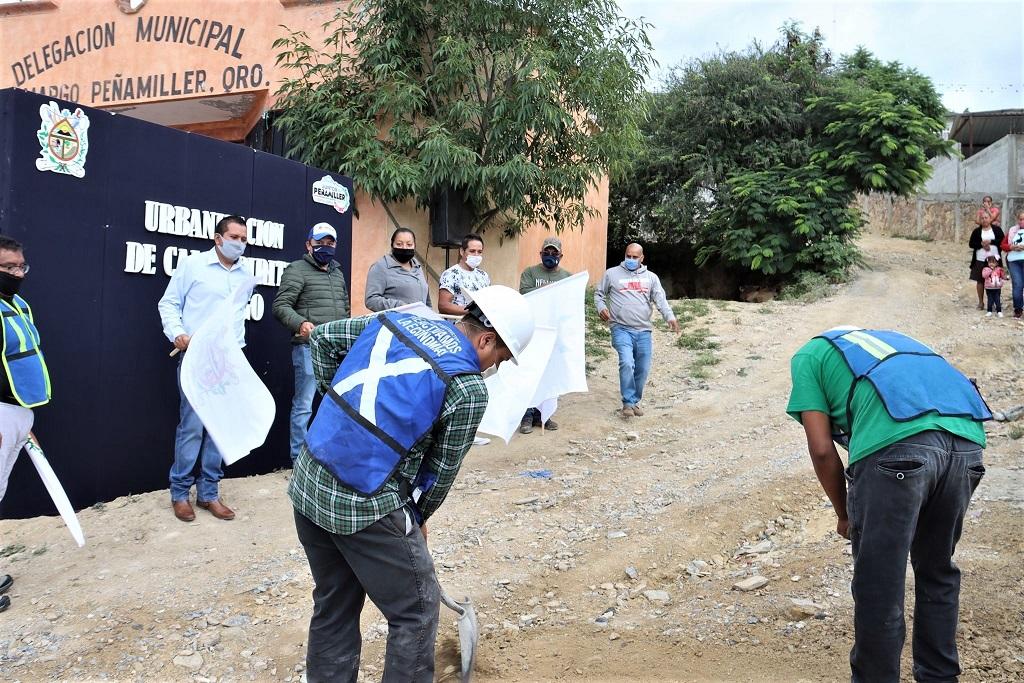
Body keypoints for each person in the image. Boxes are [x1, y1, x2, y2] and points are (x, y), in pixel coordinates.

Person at [288, 285, 535, 682]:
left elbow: (322, 339)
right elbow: (440, 471)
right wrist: (417, 516)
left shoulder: (398, 321)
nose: (495, 367)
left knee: (335, 602)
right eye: (500, 358)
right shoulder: (468, 387)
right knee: (416, 611)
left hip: (309, 481)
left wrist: (343, 410)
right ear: (487, 339)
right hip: (365, 502)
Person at [787, 326, 989, 683]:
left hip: (896, 448)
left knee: (880, 580)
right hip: (968, 444)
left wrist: (844, 512)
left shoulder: (809, 355)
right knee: (937, 570)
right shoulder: (893, 345)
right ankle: (940, 677)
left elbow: (821, 449)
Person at [157, 215, 252, 522]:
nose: (239, 243)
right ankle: (180, 493)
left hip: (228, 359)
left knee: (219, 426)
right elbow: (168, 304)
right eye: (234, 237)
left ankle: (209, 493)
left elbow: (237, 317)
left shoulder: (245, 275)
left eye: (243, 239)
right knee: (192, 426)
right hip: (196, 357)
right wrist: (177, 334)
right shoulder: (193, 266)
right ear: (218, 238)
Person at [0, 236, 50, 613]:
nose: (18, 274)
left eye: (21, 267)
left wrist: (23, 420)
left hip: (17, 414)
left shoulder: (19, 305)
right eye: (9, 268)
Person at [272, 222, 350, 462]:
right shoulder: (296, 269)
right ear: (309, 244)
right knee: (304, 405)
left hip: (336, 351)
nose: (325, 247)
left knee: (334, 406)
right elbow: (280, 305)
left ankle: (328, 458)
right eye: (320, 243)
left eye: (330, 243)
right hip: (308, 348)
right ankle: (299, 459)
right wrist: (300, 324)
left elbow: (345, 309)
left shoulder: (337, 273)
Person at [594, 243, 679, 418]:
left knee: (642, 368)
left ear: (642, 258)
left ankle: (634, 401)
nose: (630, 260)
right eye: (628, 256)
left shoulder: (651, 278)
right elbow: (599, 294)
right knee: (626, 362)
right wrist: (601, 307)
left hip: (643, 331)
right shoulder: (611, 274)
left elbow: (660, 299)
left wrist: (670, 317)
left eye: (635, 257)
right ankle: (627, 403)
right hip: (620, 328)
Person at [518, 235, 572, 434]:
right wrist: (550, 289)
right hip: (533, 331)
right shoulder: (530, 272)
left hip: (555, 333)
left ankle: (544, 416)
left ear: (561, 255)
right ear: (540, 254)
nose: (550, 255)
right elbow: (524, 292)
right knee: (531, 373)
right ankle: (527, 415)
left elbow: (570, 304)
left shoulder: (568, 277)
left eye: (554, 252)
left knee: (550, 375)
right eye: (546, 252)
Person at [365, 228, 431, 312]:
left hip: (419, 322)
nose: (404, 248)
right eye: (399, 244)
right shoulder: (380, 267)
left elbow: (427, 300)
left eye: (409, 244)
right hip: (394, 322)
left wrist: (429, 314)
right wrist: (400, 306)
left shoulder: (417, 266)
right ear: (392, 245)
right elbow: (371, 300)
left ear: (414, 246)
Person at [437, 234, 489, 316]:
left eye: (479, 252)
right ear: (462, 251)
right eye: (472, 251)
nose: (476, 255)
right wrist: (471, 311)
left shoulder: (483, 276)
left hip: (479, 326)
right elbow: (443, 305)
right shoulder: (450, 274)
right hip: (458, 325)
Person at [967, 211, 1004, 310]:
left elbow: (1002, 241)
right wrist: (981, 244)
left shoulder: (996, 230)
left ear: (990, 219)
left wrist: (991, 242)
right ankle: (981, 302)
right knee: (980, 281)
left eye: (986, 217)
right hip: (980, 259)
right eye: (982, 218)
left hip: (995, 260)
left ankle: (995, 302)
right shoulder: (976, 231)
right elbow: (971, 244)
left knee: (995, 281)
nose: (984, 220)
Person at [1000, 211, 1024, 319]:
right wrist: (1011, 247)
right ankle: (1018, 309)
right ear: (1017, 220)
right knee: (1017, 284)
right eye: (1020, 219)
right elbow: (1003, 245)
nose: (1022, 221)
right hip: (1014, 260)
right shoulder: (1012, 230)